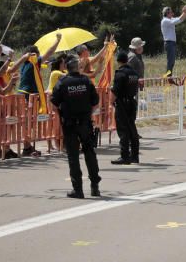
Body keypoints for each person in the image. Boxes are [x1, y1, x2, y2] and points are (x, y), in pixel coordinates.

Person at [51, 54, 102, 198]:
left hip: (70, 124)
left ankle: (78, 189)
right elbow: (96, 103)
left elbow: (54, 104)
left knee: (73, 157)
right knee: (89, 153)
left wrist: (62, 115)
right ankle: (95, 187)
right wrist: (87, 114)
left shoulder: (62, 82)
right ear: (78, 68)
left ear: (66, 68)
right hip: (85, 123)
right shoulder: (86, 81)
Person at [17, 35, 61, 157]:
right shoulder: (33, 62)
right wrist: (57, 40)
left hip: (24, 93)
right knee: (28, 122)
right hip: (27, 94)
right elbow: (50, 51)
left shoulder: (25, 64)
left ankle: (28, 146)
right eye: (37, 54)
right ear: (33, 55)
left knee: (28, 122)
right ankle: (26, 147)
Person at [110, 51, 140, 165]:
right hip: (132, 102)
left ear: (118, 61)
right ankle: (135, 156)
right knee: (132, 129)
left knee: (123, 130)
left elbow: (115, 91)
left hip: (122, 103)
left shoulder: (120, 73)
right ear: (127, 60)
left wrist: (111, 102)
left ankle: (124, 156)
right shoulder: (134, 73)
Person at [160, 5, 186, 75]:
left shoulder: (169, 19)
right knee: (170, 61)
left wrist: (185, 13)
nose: (173, 14)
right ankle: (168, 78)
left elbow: (181, 19)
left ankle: (169, 77)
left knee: (172, 61)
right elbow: (179, 19)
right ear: (167, 13)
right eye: (171, 12)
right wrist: (184, 12)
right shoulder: (165, 20)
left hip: (171, 43)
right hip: (169, 43)